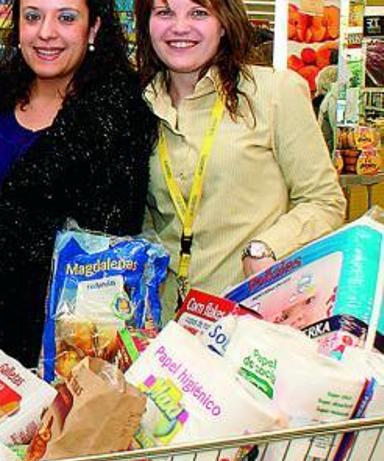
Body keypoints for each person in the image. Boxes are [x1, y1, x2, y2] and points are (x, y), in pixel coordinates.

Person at [0, 0, 158, 381]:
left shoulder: (116, 118)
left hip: (39, 348)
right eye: (32, 16)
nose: (45, 32)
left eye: (66, 18)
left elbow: (100, 245)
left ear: (94, 28)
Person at [134, 0, 346, 317]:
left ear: (223, 23)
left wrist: (266, 247)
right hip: (167, 328)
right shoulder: (138, 106)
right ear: (147, 24)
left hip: (248, 319)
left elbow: (325, 200)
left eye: (198, 12)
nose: (179, 26)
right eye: (164, 12)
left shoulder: (274, 93)